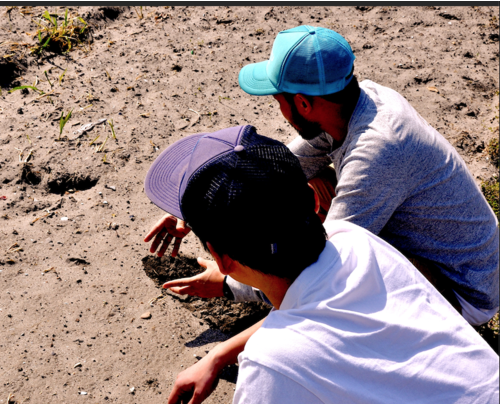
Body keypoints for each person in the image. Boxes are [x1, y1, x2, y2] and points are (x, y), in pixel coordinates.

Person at [144, 125, 500, 404]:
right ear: (315, 200)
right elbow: (310, 311)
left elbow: (294, 341)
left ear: (221, 260)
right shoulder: (354, 240)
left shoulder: (273, 364)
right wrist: (220, 356)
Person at [144, 25, 499, 326]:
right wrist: (197, 209)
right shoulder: (357, 102)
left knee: (324, 281)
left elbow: (324, 267)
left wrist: (227, 283)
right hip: (440, 251)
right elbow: (276, 169)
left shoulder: (378, 152)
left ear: (302, 103)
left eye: (277, 99)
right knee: (311, 183)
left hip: (461, 289)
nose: (278, 109)